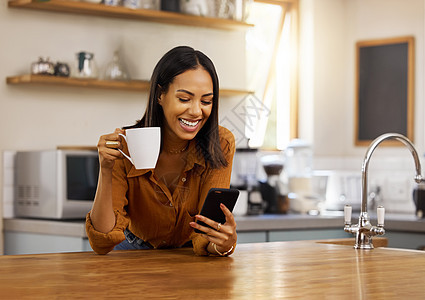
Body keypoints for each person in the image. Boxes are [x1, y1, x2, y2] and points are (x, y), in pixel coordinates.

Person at [86, 46, 237, 256]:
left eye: (206, 101)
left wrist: (223, 244)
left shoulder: (220, 143)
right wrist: (105, 169)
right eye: (184, 99)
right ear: (160, 95)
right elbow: (101, 242)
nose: (196, 111)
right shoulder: (125, 145)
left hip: (189, 257)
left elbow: (208, 236)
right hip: (133, 253)